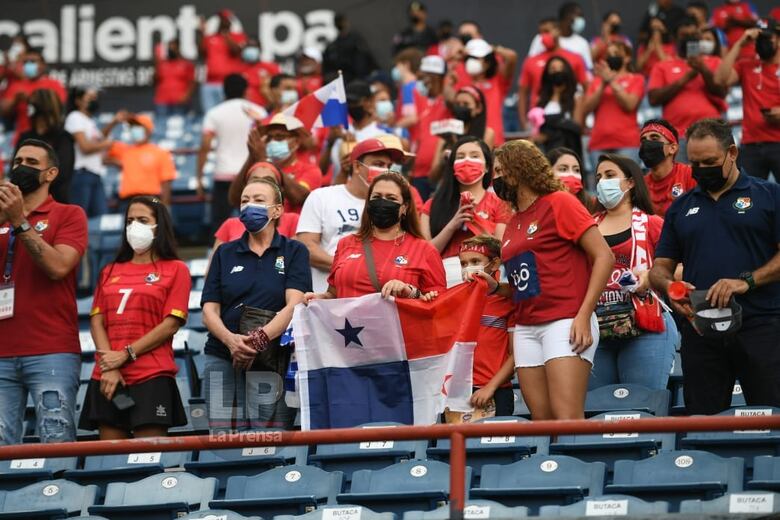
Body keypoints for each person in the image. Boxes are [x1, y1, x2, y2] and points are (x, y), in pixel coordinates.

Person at [650, 118, 780, 414]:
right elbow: (659, 269)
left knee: (772, 421)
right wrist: (671, 287)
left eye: (709, 161)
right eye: (695, 162)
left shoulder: (770, 196)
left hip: (760, 326)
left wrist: (746, 282)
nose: (701, 169)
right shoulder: (681, 208)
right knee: (702, 424)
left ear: (732, 152)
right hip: (701, 330)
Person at [481, 139, 613, 420]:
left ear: (521, 169)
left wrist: (584, 315)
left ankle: (578, 466)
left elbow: (604, 257)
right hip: (527, 327)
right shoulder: (514, 220)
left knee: (567, 418)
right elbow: (526, 284)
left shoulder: (560, 202)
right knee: (542, 422)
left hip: (566, 320)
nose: (496, 178)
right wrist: (496, 287)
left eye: (501, 170)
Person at [202, 178, 311, 430]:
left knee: (268, 440)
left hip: (272, 358)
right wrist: (231, 342)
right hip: (222, 355)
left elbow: (294, 305)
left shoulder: (294, 251)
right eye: (244, 201)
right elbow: (209, 309)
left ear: (277, 210)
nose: (249, 206)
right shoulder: (224, 252)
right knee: (223, 439)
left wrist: (257, 341)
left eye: (259, 200)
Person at [79, 196, 190, 439]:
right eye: (130, 220)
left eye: (142, 220)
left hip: (150, 375)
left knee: (147, 458)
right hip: (109, 377)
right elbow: (97, 321)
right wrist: (109, 365)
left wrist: (125, 355)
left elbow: (170, 324)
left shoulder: (176, 269)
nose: (134, 226)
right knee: (110, 462)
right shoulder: (109, 270)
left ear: (159, 226)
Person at [0, 139, 87, 445]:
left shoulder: (69, 214)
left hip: (51, 348)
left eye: (32, 163)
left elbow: (58, 267)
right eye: (18, 160)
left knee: (56, 438)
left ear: (50, 174)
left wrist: (18, 222)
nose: (21, 167)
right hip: (1, 351)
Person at [589, 154, 678, 391]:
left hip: (645, 326)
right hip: (594, 327)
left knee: (642, 407)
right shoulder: (586, 226)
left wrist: (650, 275)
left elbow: (682, 267)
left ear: (630, 183)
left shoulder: (652, 223)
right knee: (597, 410)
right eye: (598, 177)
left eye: (609, 176)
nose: (602, 183)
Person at [305, 172, 445, 301]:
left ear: (405, 207)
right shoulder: (346, 244)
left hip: (396, 327)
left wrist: (409, 291)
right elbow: (334, 294)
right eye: (377, 197)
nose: (382, 203)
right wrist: (318, 298)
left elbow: (438, 305)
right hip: (348, 326)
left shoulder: (424, 250)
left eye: (391, 198)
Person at [298, 138, 405, 293]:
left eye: (388, 166)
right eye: (378, 164)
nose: (385, 171)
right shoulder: (322, 196)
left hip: (375, 296)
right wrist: (350, 268)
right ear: (356, 166)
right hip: (326, 296)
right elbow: (307, 247)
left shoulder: (392, 205)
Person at [422, 136, 511, 287]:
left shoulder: (500, 203)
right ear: (452, 166)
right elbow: (424, 253)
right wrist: (454, 223)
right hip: (444, 277)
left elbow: (502, 251)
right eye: (461, 157)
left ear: (488, 166)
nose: (467, 161)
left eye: (475, 156)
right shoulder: (432, 204)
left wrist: (475, 221)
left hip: (485, 277)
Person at [647, 17, 728, 160]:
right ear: (675, 38)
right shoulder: (663, 65)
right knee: (682, 181)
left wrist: (703, 69)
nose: (690, 39)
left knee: (714, 178)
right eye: (685, 35)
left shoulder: (714, 61)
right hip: (678, 135)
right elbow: (653, 98)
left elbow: (722, 92)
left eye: (694, 35)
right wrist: (685, 79)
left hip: (711, 132)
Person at [197, 74, 267, 231]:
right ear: (246, 90)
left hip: (224, 173)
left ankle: (215, 253)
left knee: (220, 223)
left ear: (223, 91)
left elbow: (205, 146)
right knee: (257, 221)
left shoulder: (214, 113)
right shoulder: (259, 112)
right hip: (252, 173)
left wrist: (199, 177)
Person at [715, 23, 780, 181]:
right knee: (748, 200)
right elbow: (719, 79)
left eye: (767, 37)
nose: (762, 42)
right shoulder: (746, 65)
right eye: (758, 39)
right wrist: (739, 44)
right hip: (751, 145)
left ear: (778, 39)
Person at [459, 236, 515, 417]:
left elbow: (517, 354)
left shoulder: (509, 301)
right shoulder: (455, 300)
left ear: (495, 263)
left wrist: (490, 388)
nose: (468, 268)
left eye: (475, 261)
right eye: (463, 263)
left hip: (495, 392)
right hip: (458, 394)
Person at [517, 19, 589, 131]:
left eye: (547, 31)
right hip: (539, 121)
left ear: (558, 31)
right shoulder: (530, 61)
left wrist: (582, 117)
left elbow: (587, 89)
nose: (543, 36)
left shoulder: (575, 58)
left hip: (568, 116)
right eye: (541, 33)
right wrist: (524, 123)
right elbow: (522, 94)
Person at [212, 161, 299, 252]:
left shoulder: (293, 221)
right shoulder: (229, 224)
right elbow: (215, 264)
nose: (260, 185)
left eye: (268, 180)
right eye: (254, 180)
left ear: (280, 188)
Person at [583, 41, 645, 167]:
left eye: (616, 53)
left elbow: (630, 105)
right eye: (609, 54)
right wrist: (602, 85)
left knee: (627, 184)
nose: (612, 56)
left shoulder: (636, 79)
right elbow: (587, 108)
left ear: (627, 58)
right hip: (599, 142)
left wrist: (611, 81)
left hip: (627, 142)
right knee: (600, 185)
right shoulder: (596, 82)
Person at [65, 88, 123, 218]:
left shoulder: (89, 120)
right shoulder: (75, 117)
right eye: (89, 98)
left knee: (101, 218)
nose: (93, 100)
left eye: (94, 98)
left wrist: (113, 122)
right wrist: (106, 144)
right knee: (79, 218)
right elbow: (85, 147)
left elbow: (99, 138)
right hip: (81, 174)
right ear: (78, 101)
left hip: (95, 173)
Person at [16, 89, 75, 205]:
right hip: (25, 203)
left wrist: (32, 181)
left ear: (43, 106)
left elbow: (62, 172)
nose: (28, 107)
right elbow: (15, 168)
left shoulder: (63, 137)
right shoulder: (25, 136)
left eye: (32, 103)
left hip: (55, 200)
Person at [257, 113, 322, 215]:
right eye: (269, 138)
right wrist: (252, 156)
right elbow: (235, 198)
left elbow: (299, 197)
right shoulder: (259, 169)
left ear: (296, 142)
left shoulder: (310, 170)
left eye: (279, 137)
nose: (273, 142)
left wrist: (269, 164)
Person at [106, 115, 177, 208]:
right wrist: (114, 122)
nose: (134, 130)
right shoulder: (124, 150)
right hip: (127, 202)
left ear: (148, 130)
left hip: (150, 200)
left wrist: (165, 209)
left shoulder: (161, 153)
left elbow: (166, 183)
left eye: (138, 127)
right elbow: (99, 142)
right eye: (132, 127)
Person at [457, 38, 517, 146]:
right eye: (470, 58)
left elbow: (511, 57)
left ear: (487, 62)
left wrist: (492, 49)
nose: (472, 61)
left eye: (476, 58)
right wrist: (458, 56)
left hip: (494, 141)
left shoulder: (497, 80)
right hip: (466, 142)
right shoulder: (461, 78)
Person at [1, 48, 66, 144]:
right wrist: (15, 101)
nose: (29, 65)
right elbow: (3, 110)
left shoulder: (54, 84)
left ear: (43, 65)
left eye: (33, 61)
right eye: (26, 62)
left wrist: (31, 100)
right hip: (23, 138)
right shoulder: (17, 85)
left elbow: (57, 107)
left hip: (49, 138)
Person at [410, 55, 451, 201]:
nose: (424, 81)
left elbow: (451, 97)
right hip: (418, 174)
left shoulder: (447, 101)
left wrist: (445, 80)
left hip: (439, 173)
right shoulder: (421, 99)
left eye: (428, 76)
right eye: (422, 76)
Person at [639, 119, 696, 217]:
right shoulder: (641, 185)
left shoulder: (689, 175)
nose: (647, 144)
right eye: (643, 140)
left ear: (672, 148)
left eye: (654, 138)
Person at [532, 57, 584, 157]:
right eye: (553, 68)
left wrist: (549, 134)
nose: (557, 72)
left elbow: (577, 127)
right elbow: (537, 128)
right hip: (545, 151)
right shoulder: (541, 100)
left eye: (561, 68)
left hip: (568, 150)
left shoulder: (576, 97)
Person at [198, 10, 247, 112]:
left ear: (231, 21)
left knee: (227, 113)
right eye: (221, 19)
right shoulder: (210, 37)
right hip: (210, 83)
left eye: (226, 19)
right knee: (209, 114)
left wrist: (226, 35)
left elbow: (236, 51)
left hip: (227, 84)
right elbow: (201, 53)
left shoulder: (238, 36)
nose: (223, 22)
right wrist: (202, 34)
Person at [528, 2, 593, 70]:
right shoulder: (541, 38)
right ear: (567, 16)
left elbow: (587, 69)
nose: (581, 20)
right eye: (579, 16)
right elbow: (531, 65)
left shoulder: (582, 43)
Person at [322, 13, 378, 84]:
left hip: (363, 77)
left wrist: (375, 70)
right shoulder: (333, 47)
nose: (342, 24)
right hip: (349, 80)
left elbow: (367, 55)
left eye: (342, 21)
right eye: (340, 22)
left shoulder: (356, 39)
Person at [153, 38, 196, 117]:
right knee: (161, 126)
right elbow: (154, 81)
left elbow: (192, 83)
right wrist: (156, 65)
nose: (171, 49)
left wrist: (186, 96)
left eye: (173, 47)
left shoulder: (186, 64)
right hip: (162, 101)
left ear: (178, 48)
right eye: (169, 47)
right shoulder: (162, 64)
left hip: (179, 101)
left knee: (180, 126)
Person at [546, 147, 597, 211]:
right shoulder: (539, 206)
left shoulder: (593, 204)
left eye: (577, 170)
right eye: (563, 169)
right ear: (548, 172)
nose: (571, 175)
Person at [241, 39, 280, 109]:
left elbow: (278, 89)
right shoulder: (238, 68)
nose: (250, 49)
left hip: (266, 109)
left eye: (253, 47)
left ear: (260, 49)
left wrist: (269, 106)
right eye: (248, 46)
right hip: (244, 109)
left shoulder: (271, 68)